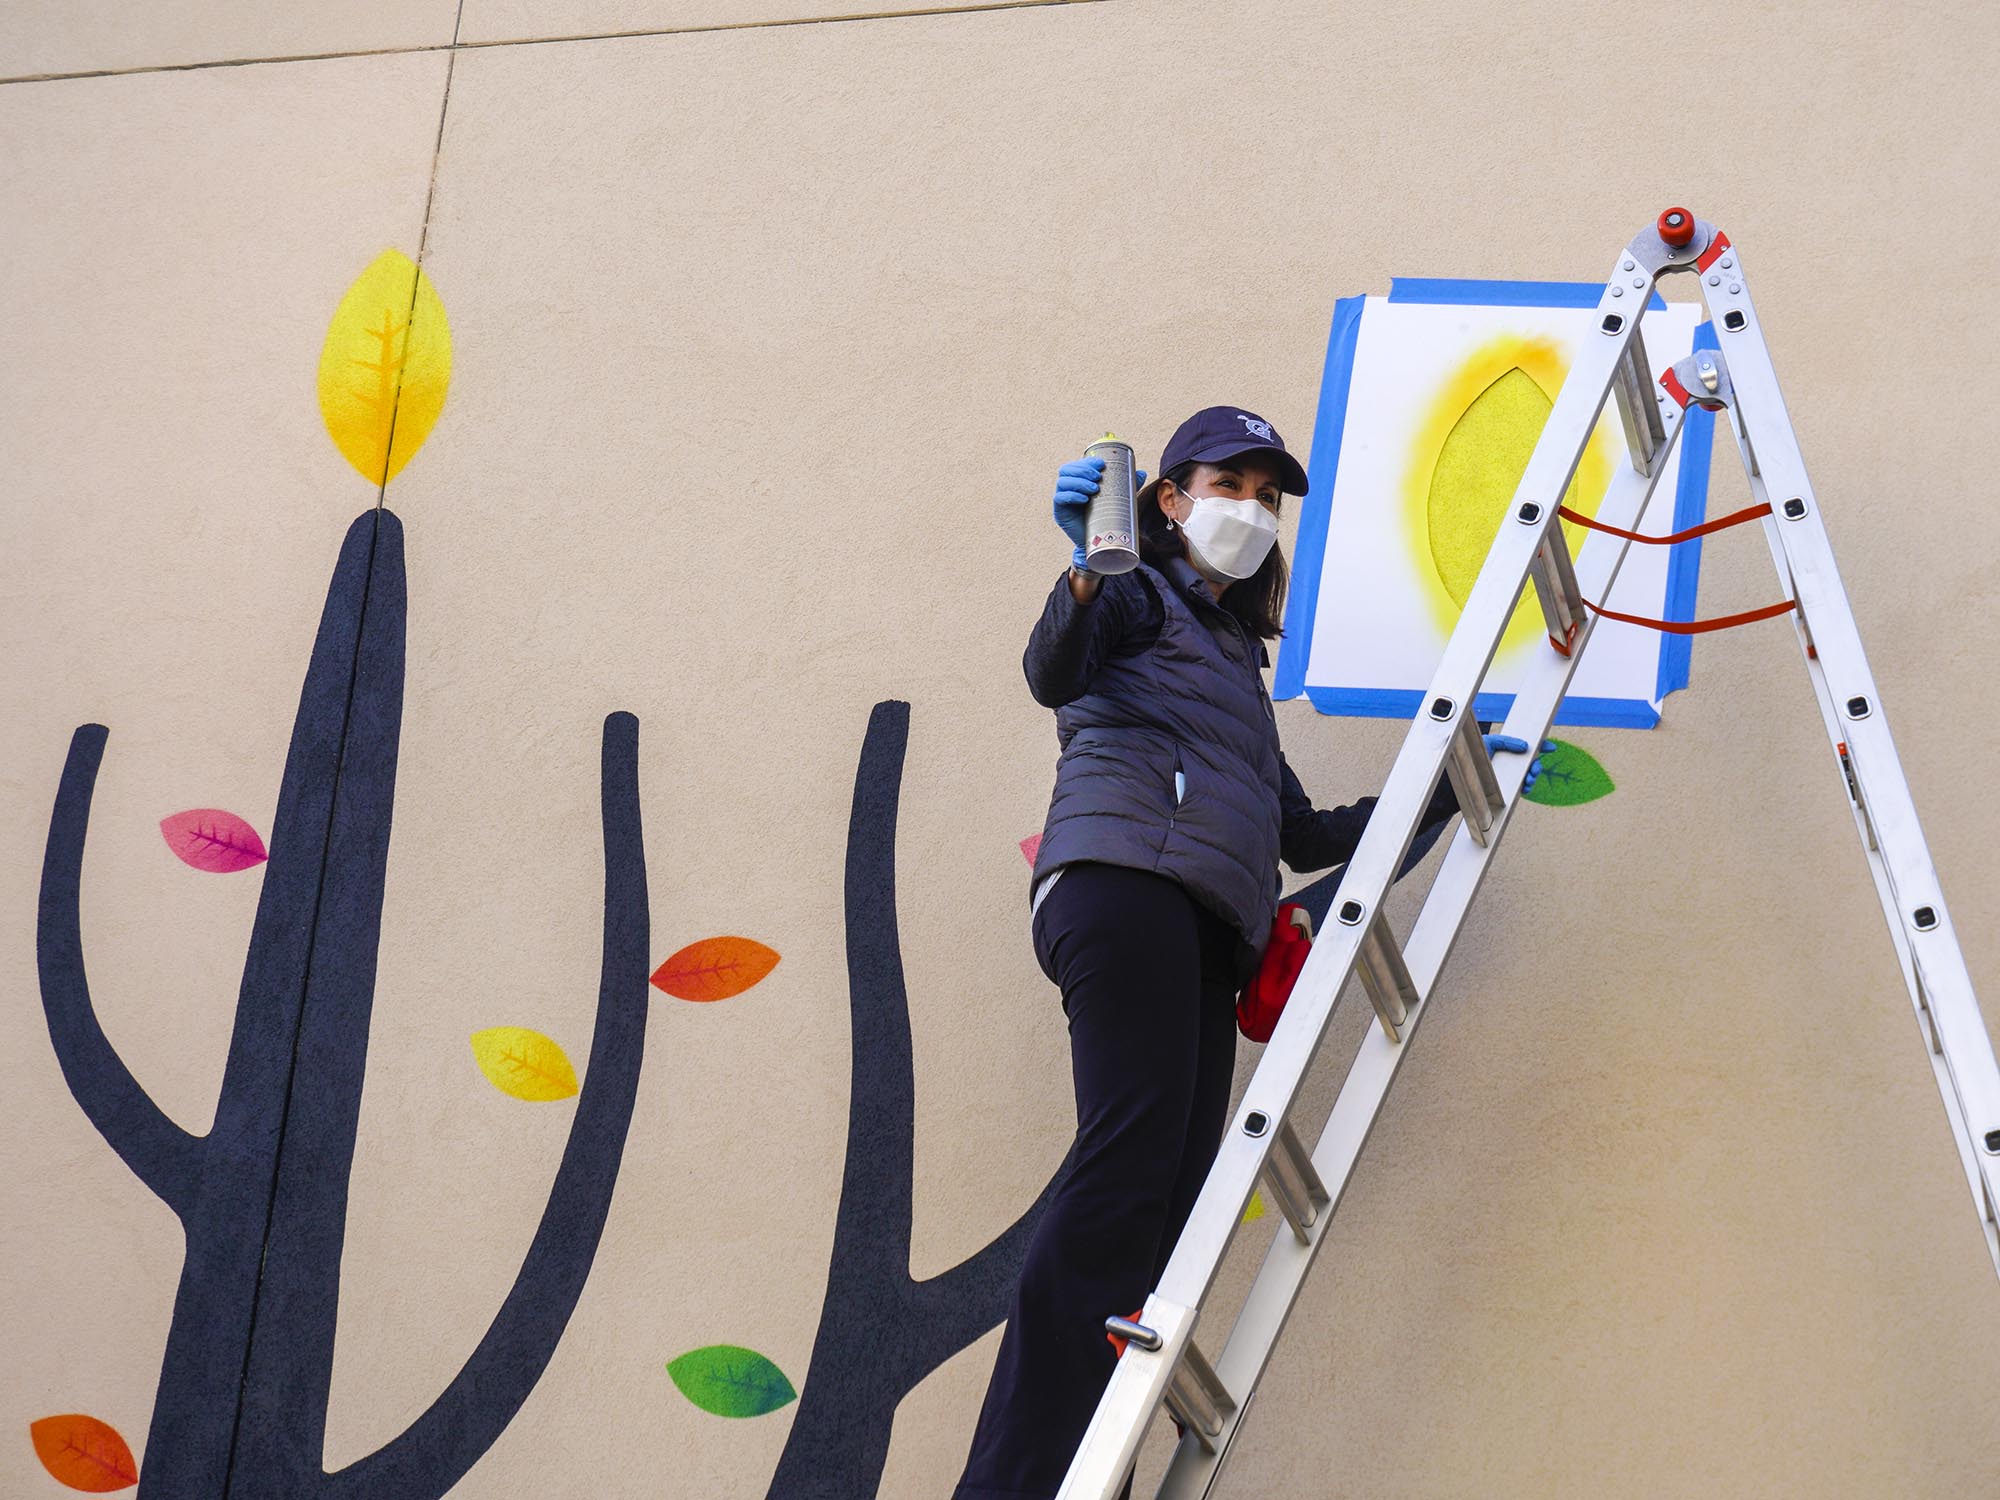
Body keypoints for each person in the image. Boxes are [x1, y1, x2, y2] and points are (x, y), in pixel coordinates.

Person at [950, 407, 1546, 1500]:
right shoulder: (1133, 595)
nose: (1250, 511)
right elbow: (1053, 670)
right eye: (1227, 484)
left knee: (1170, 1198)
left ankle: (1090, 1466)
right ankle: (1009, 1484)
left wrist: (1447, 779)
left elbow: (1304, 833)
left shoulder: (1233, 663)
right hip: (1121, 891)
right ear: (1169, 498)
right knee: (1123, 1164)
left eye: (1265, 496)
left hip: (1200, 933)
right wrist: (1086, 567)